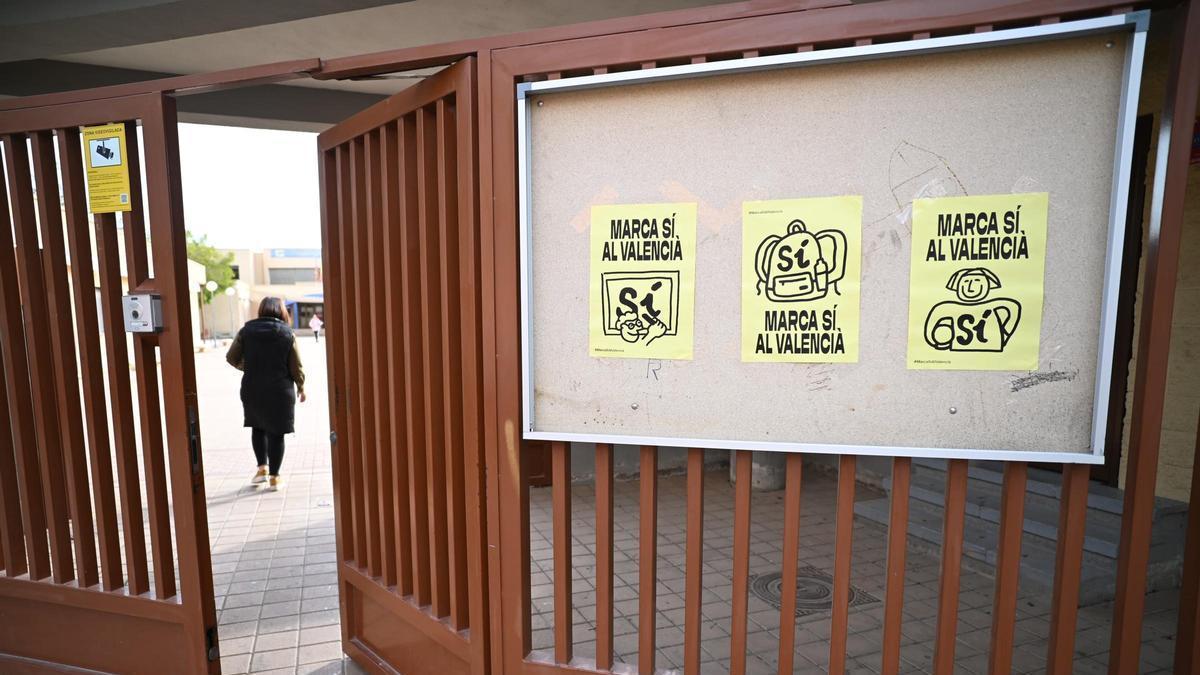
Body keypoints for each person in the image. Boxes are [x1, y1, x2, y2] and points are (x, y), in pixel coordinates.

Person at [226, 297, 306, 491]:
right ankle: (275, 477)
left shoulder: (246, 331)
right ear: (281, 312)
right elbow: (296, 365)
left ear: (261, 310)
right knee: (277, 433)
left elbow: (231, 357)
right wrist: (301, 386)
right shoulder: (287, 333)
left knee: (257, 426)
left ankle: (261, 469)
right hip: (280, 390)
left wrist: (250, 367)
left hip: (253, 388)